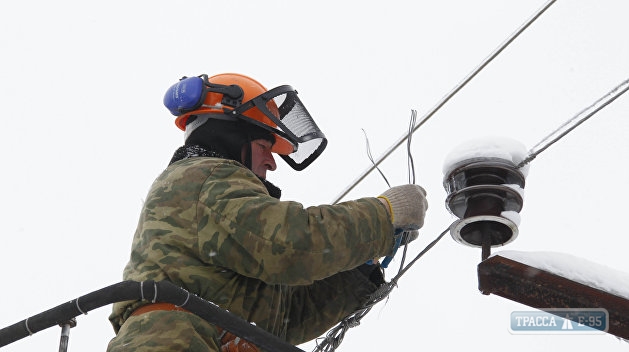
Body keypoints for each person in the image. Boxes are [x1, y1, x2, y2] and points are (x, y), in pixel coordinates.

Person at [106, 73, 428, 352]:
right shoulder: (204, 178)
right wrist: (383, 217)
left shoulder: (214, 206)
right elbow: (293, 243)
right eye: (264, 145)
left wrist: (360, 267)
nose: (273, 162)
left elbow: (283, 315)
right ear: (230, 135)